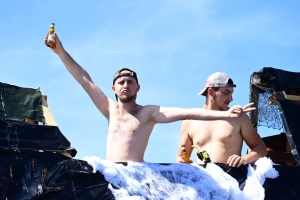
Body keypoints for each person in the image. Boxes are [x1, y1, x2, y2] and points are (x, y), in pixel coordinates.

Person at [45, 33, 255, 163]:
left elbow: (187, 112)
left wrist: (226, 114)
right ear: (114, 88)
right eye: (121, 82)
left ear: (138, 87)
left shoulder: (148, 112)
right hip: (111, 174)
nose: (126, 85)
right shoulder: (109, 109)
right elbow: (85, 80)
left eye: (130, 82)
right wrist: (60, 51)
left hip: (136, 175)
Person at [176, 72, 267, 168]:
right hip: (205, 180)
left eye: (231, 93)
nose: (231, 99)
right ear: (210, 92)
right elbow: (181, 156)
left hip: (233, 179)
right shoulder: (190, 120)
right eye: (226, 93)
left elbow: (261, 149)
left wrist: (244, 159)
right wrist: (182, 160)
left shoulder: (239, 117)